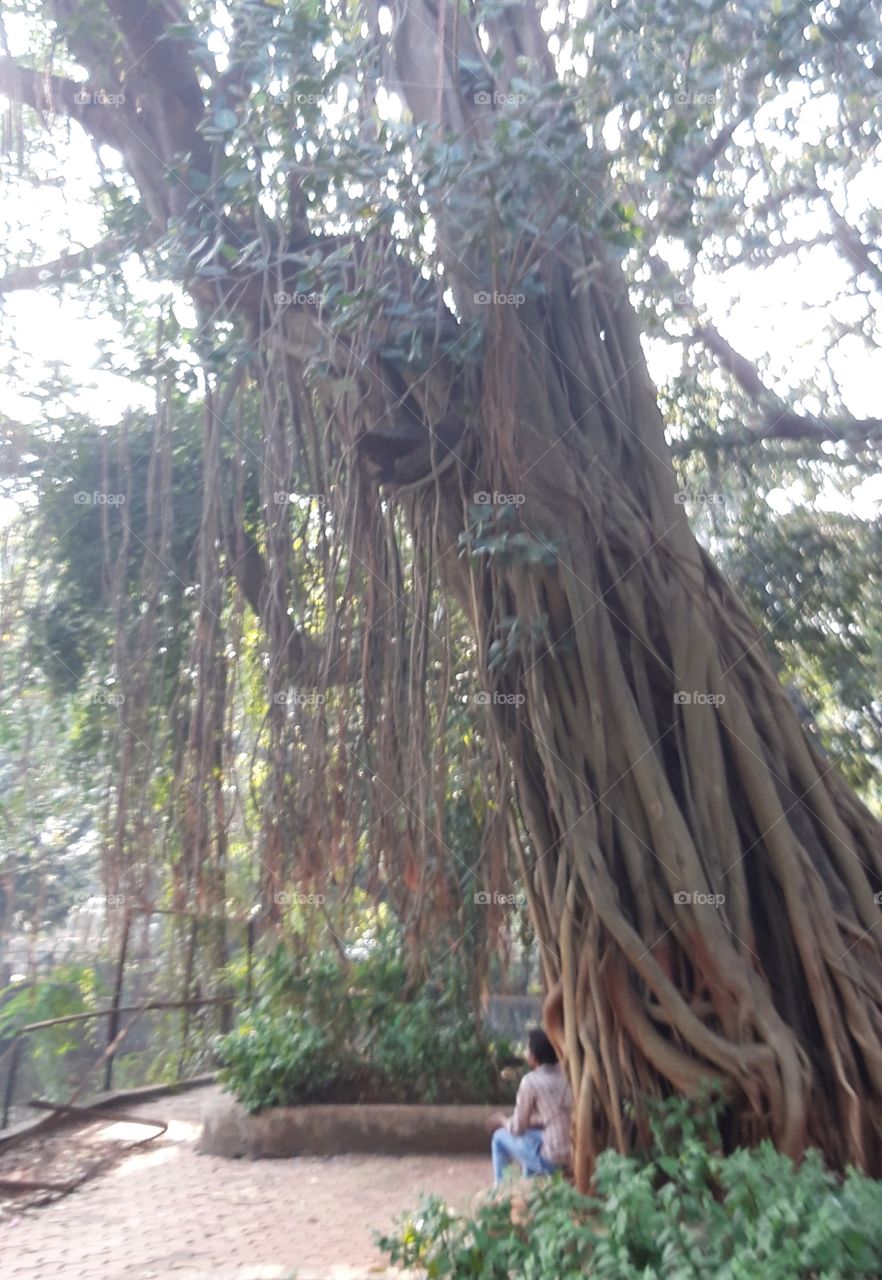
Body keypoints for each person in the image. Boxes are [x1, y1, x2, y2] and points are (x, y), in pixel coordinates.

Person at [489, 1027, 572, 1185]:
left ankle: (501, 1191)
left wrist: (502, 1120)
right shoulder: (566, 1076)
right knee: (531, 1138)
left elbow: (517, 1128)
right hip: (574, 1153)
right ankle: (532, 1190)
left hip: (552, 1159)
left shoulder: (531, 1081)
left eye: (527, 1049)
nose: (526, 1053)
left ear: (534, 1057)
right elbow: (554, 1114)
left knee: (499, 1137)